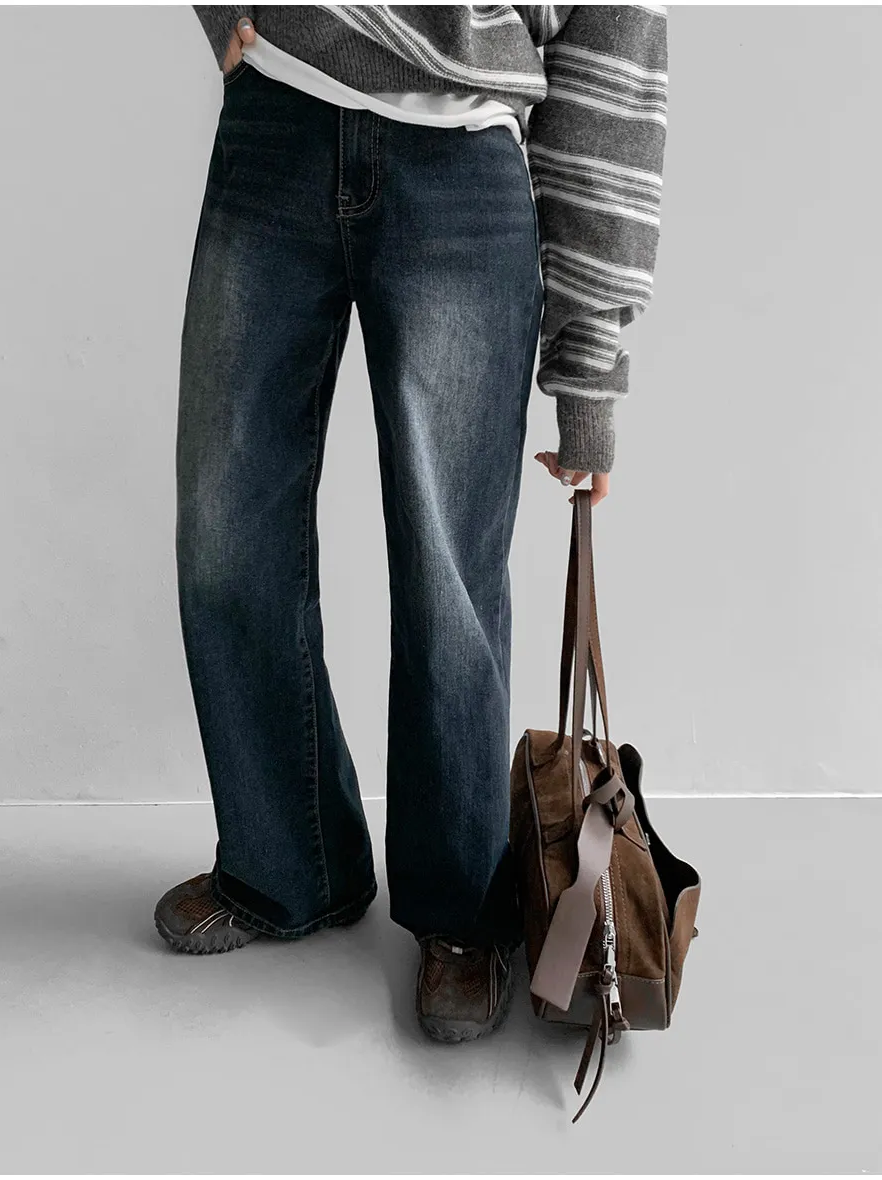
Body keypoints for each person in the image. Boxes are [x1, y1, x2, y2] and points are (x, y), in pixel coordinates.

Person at [155, 5, 667, 1043]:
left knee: (448, 578)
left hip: (463, 168)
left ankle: (461, 913)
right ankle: (288, 864)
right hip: (276, 122)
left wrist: (590, 375)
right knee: (224, 538)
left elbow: (613, 52)